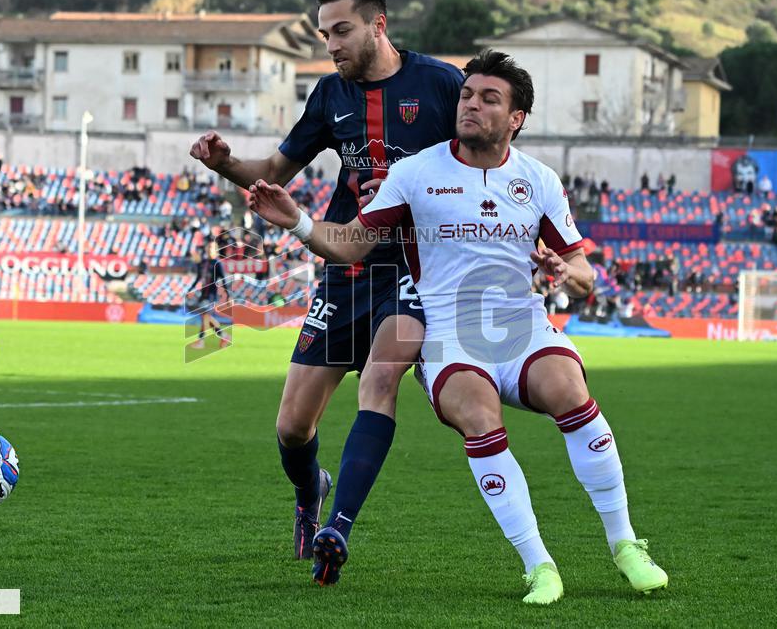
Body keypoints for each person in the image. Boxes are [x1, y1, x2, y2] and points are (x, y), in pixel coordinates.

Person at [247, 50, 668, 605]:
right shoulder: (415, 173)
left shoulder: (539, 180)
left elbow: (584, 271)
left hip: (522, 327)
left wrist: (570, 271)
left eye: (489, 98)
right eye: (467, 95)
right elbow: (351, 244)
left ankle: (624, 544)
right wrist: (300, 221)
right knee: (478, 415)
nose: (471, 105)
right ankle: (539, 565)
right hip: (448, 333)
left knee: (570, 391)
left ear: (516, 117)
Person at [188, 0, 464, 582]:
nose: (331, 43)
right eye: (324, 33)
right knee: (292, 426)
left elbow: (485, 157)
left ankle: (338, 527)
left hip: (413, 270)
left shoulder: (441, 84)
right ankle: (311, 487)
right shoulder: (328, 94)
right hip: (344, 264)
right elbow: (272, 172)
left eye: (341, 30)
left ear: (378, 25)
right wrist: (224, 163)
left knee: (382, 380)